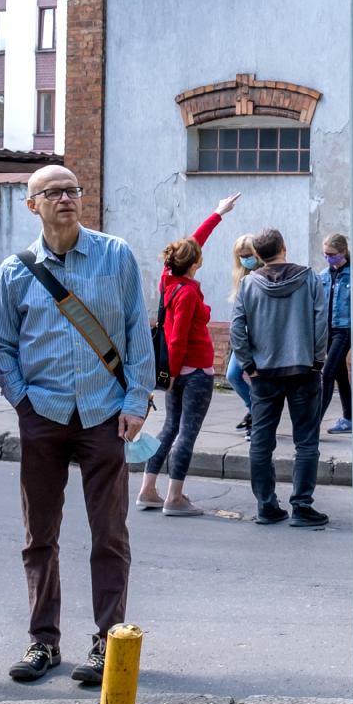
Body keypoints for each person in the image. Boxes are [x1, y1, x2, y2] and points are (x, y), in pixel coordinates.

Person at [0, 165, 156, 686]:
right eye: (54, 192)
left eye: (73, 190)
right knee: (40, 534)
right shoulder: (15, 271)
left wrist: (136, 400)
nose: (66, 198)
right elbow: (0, 346)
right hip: (45, 415)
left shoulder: (115, 255)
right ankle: (43, 641)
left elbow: (137, 333)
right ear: (32, 204)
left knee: (110, 534)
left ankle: (108, 641)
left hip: (105, 415)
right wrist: (23, 402)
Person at [136, 194, 239, 517]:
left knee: (169, 428)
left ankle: (148, 490)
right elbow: (178, 337)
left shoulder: (169, 280)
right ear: (194, 264)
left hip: (176, 372)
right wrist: (177, 374)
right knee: (186, 433)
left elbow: (193, 243)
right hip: (192, 373)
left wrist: (217, 213)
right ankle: (174, 497)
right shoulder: (189, 293)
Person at [230, 227, 330, 529]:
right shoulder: (309, 278)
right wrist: (317, 360)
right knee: (306, 442)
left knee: (261, 442)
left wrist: (248, 365)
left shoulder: (248, 285)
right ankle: (302, 506)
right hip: (303, 369)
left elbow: (237, 329)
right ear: (283, 247)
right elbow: (321, 320)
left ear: (258, 255)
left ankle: (266, 505)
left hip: (264, 374)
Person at [319, 232, 353, 437]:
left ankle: (313, 423)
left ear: (342, 252)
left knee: (327, 373)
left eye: (331, 254)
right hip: (327, 330)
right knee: (340, 375)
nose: (328, 258)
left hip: (345, 329)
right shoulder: (323, 275)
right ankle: (349, 418)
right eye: (325, 254)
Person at [227, 235, 260, 433]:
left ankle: (257, 416)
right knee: (233, 376)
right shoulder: (241, 275)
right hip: (243, 336)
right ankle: (254, 410)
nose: (245, 259)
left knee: (256, 379)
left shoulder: (262, 274)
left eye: (248, 255)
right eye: (241, 256)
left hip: (258, 336)